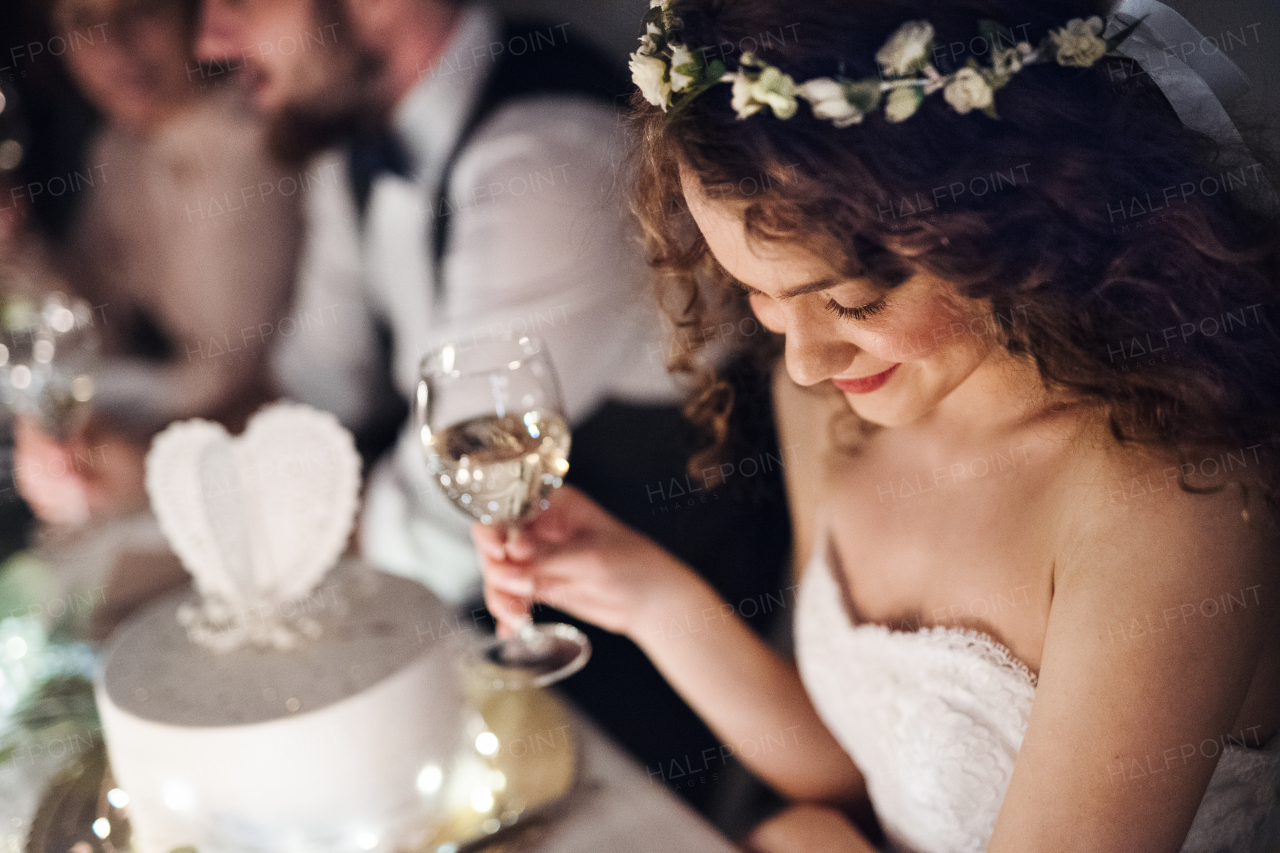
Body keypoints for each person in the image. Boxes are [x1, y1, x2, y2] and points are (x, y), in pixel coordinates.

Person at [475, 0, 1280, 850]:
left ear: (1012, 215)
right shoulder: (836, 404)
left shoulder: (1169, 501)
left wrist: (806, 842)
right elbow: (863, 780)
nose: (804, 360)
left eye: (851, 301)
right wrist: (646, 592)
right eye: (761, 295)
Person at [193, 0, 794, 815]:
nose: (206, 39)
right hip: (462, 651)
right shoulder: (359, 139)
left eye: (233, 0)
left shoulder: (551, 153)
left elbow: (440, 518)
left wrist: (240, 527)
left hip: (644, 713)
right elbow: (311, 390)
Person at [14, 0, 301, 525]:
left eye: (141, 12)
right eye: (83, 24)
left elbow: (230, 376)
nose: (113, 47)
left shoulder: (255, 145)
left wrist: (117, 443)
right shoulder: (117, 147)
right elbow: (91, 322)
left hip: (266, 477)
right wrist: (17, 245)